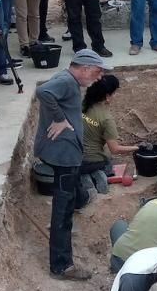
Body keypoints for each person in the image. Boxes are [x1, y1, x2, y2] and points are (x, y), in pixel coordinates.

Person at [34, 49, 105, 279]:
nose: (99, 77)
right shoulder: (66, 81)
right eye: (97, 71)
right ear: (84, 68)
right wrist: (59, 119)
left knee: (73, 193)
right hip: (64, 156)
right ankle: (62, 265)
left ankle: (80, 199)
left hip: (68, 154)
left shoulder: (68, 81)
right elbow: (42, 91)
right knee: (62, 211)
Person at [80, 74, 139, 194]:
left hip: (73, 157)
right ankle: (97, 174)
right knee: (107, 157)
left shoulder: (82, 105)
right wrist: (136, 147)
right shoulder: (106, 119)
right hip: (92, 160)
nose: (114, 96)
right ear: (107, 96)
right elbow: (115, 149)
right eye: (114, 93)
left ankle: (84, 176)